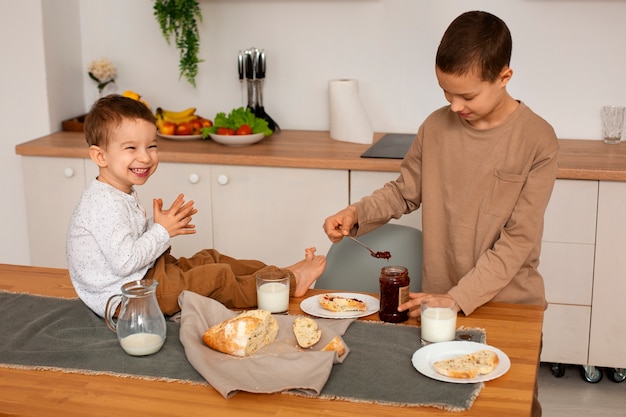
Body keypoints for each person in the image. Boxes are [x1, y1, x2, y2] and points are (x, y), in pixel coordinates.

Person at [323, 11, 557, 416]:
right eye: (446, 93)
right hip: (436, 303)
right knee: (440, 404)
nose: (455, 105)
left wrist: (458, 297)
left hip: (510, 304)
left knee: (511, 406)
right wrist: (356, 212)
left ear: (505, 76)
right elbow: (404, 191)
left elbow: (518, 239)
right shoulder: (435, 127)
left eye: (467, 96)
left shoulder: (537, 139)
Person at [67, 94, 326, 318]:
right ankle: (290, 283)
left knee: (210, 258)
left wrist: (157, 225)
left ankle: (279, 275)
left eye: (152, 146)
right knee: (218, 278)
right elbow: (124, 262)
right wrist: (161, 231)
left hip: (142, 277)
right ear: (100, 156)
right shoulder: (104, 204)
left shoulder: (116, 191)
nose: (145, 157)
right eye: (131, 148)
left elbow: (124, 243)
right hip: (131, 299)